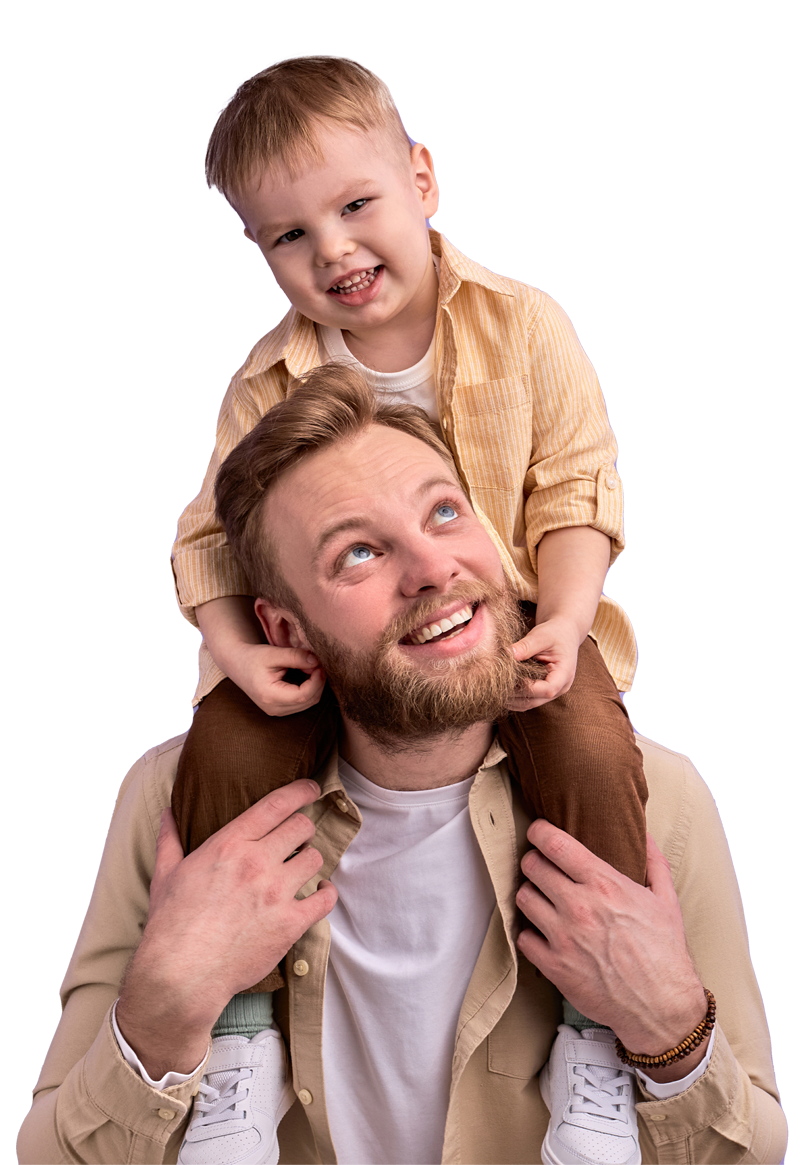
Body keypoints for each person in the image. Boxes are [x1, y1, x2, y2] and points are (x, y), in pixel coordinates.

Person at [18, 373, 786, 1165]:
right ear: (287, 629)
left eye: (444, 512)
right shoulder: (171, 802)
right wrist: (164, 1012)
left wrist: (668, 1030)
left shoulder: (660, 802)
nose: (432, 567)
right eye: (357, 552)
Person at [169, 55, 647, 1164]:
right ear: (258, 252)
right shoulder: (266, 383)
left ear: (420, 179)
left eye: (354, 205)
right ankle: (237, 1044)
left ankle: (594, 1046)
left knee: (585, 745)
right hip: (342, 655)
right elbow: (207, 540)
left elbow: (574, 489)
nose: (331, 250)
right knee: (224, 748)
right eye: (289, 236)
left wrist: (565, 622)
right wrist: (238, 652)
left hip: (515, 630)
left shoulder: (522, 325)